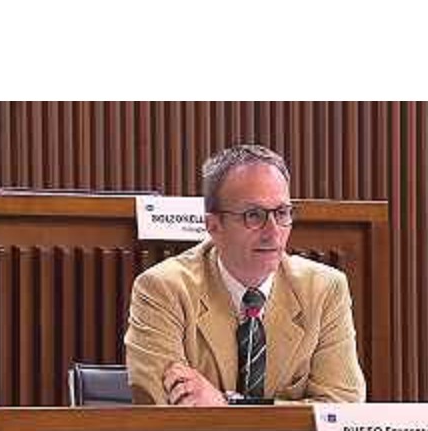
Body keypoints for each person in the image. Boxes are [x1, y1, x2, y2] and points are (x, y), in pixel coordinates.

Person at [124, 144, 366, 405]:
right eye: (254, 215)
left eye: (282, 213)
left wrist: (226, 404)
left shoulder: (324, 289)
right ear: (213, 226)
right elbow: (161, 408)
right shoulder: (163, 289)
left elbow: (343, 407)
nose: (273, 232)